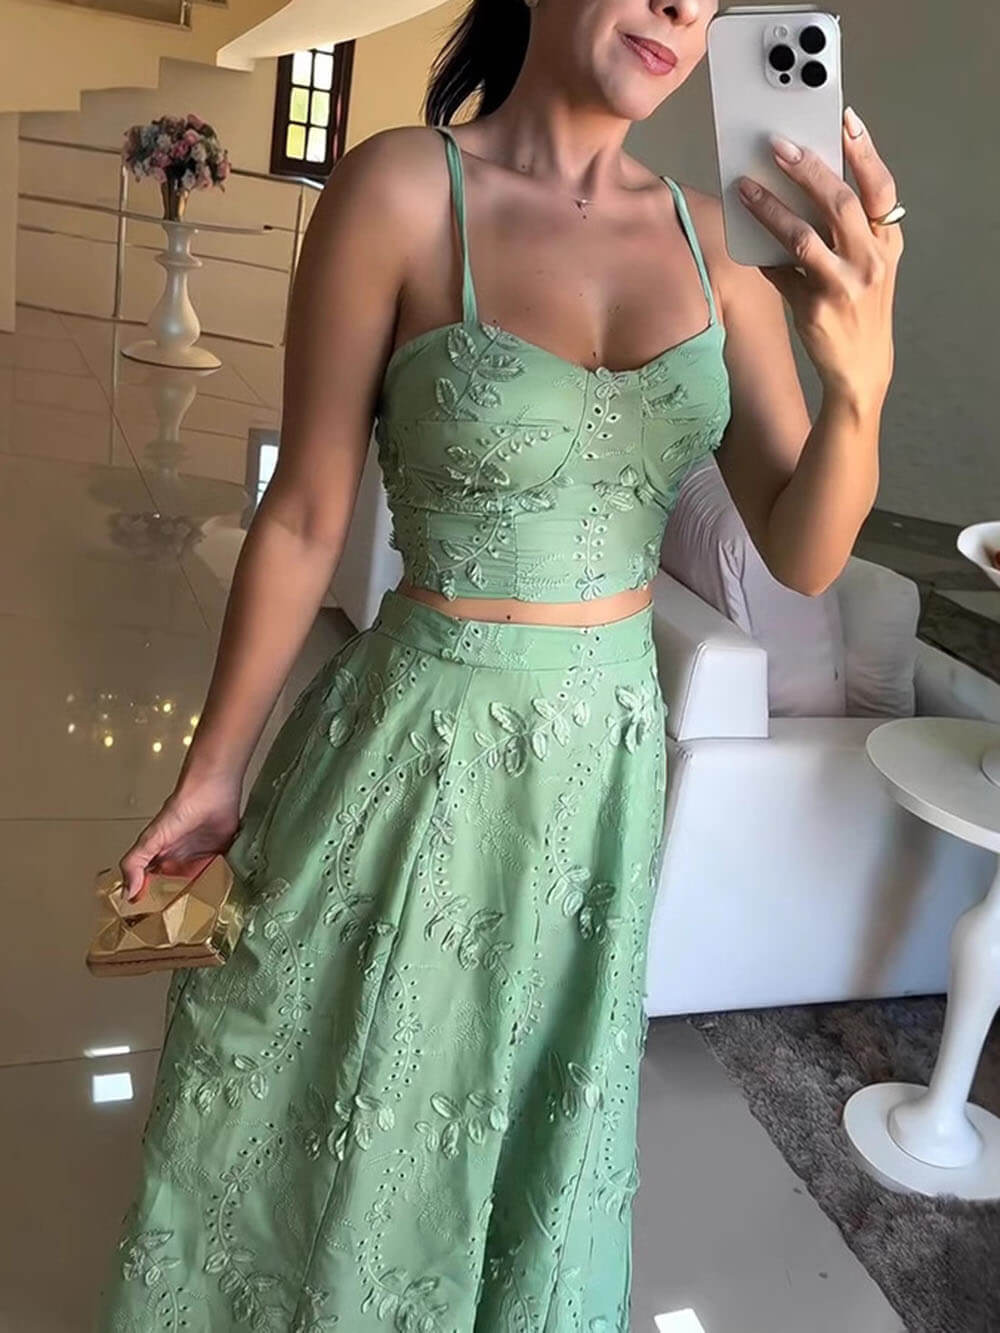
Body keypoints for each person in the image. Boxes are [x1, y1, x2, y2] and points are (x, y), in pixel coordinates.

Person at [94, 0, 903, 1328]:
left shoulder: (724, 248)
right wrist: (214, 769)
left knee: (525, 1104)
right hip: (415, 746)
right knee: (347, 1091)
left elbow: (804, 555)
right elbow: (306, 510)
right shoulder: (404, 190)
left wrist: (859, 388)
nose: (680, 9)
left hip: (602, 775)